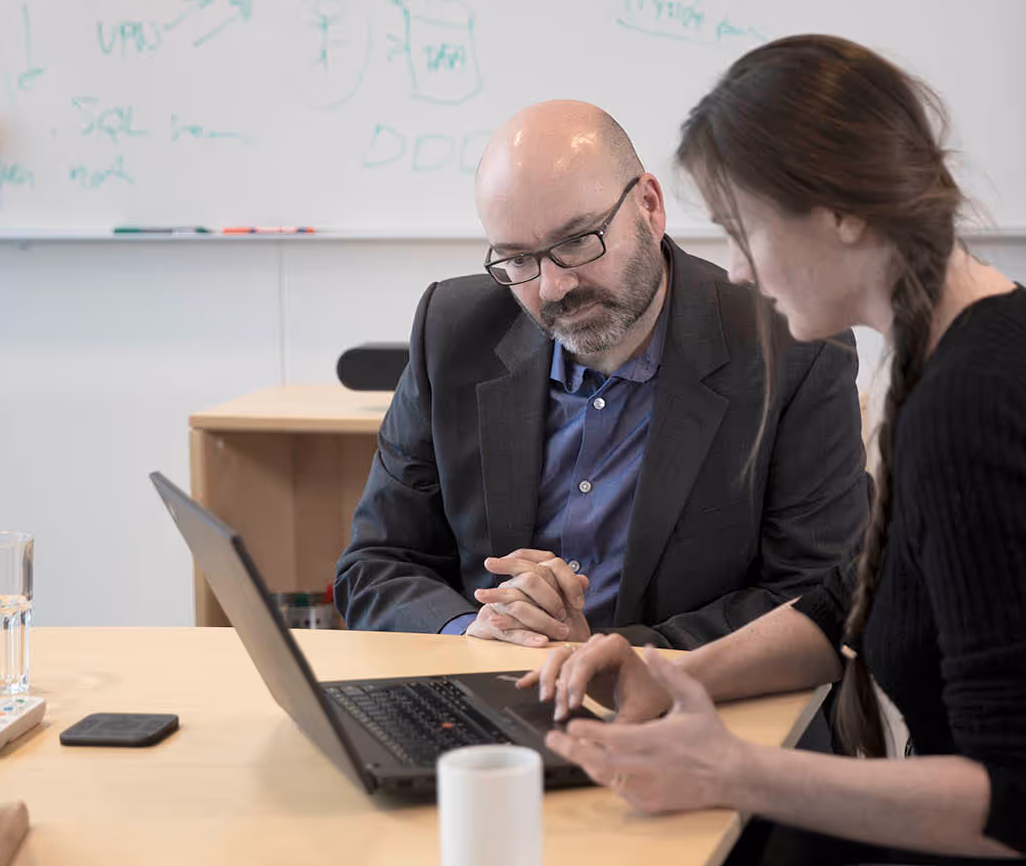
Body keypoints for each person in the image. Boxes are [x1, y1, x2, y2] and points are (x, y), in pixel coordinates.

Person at [524, 37, 1026, 864]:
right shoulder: (991, 332)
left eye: (743, 231)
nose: (733, 271)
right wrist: (670, 673)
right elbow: (861, 592)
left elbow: (1023, 804)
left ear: (841, 212)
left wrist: (735, 771)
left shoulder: (976, 409)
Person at [333, 99, 869, 651]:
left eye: (576, 243)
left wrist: (608, 655)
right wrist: (471, 631)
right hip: (494, 690)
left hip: (697, 709)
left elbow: (817, 594)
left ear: (649, 207)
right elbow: (376, 562)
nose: (553, 288)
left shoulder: (793, 349)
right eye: (518, 260)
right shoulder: (450, 331)